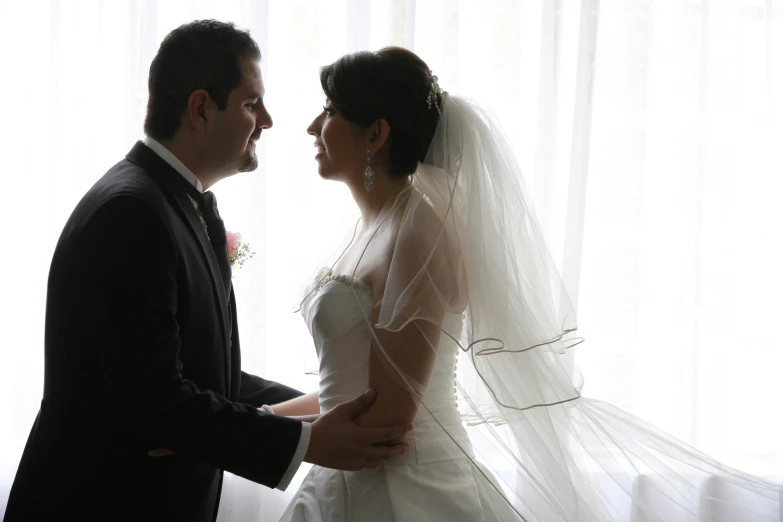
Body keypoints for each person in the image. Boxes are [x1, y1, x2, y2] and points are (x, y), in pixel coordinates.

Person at [273, 47, 781, 521]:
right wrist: (262, 419)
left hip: (405, 489)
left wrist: (271, 436)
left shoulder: (419, 230)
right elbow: (351, 387)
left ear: (376, 134)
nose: (314, 125)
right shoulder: (372, 225)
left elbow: (389, 415)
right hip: (345, 473)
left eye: (331, 110)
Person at [3, 21, 411, 522]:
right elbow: (153, 401)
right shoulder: (131, 213)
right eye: (250, 103)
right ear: (200, 108)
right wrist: (306, 442)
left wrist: (327, 407)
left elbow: (207, 374)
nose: (267, 120)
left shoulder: (179, 205)